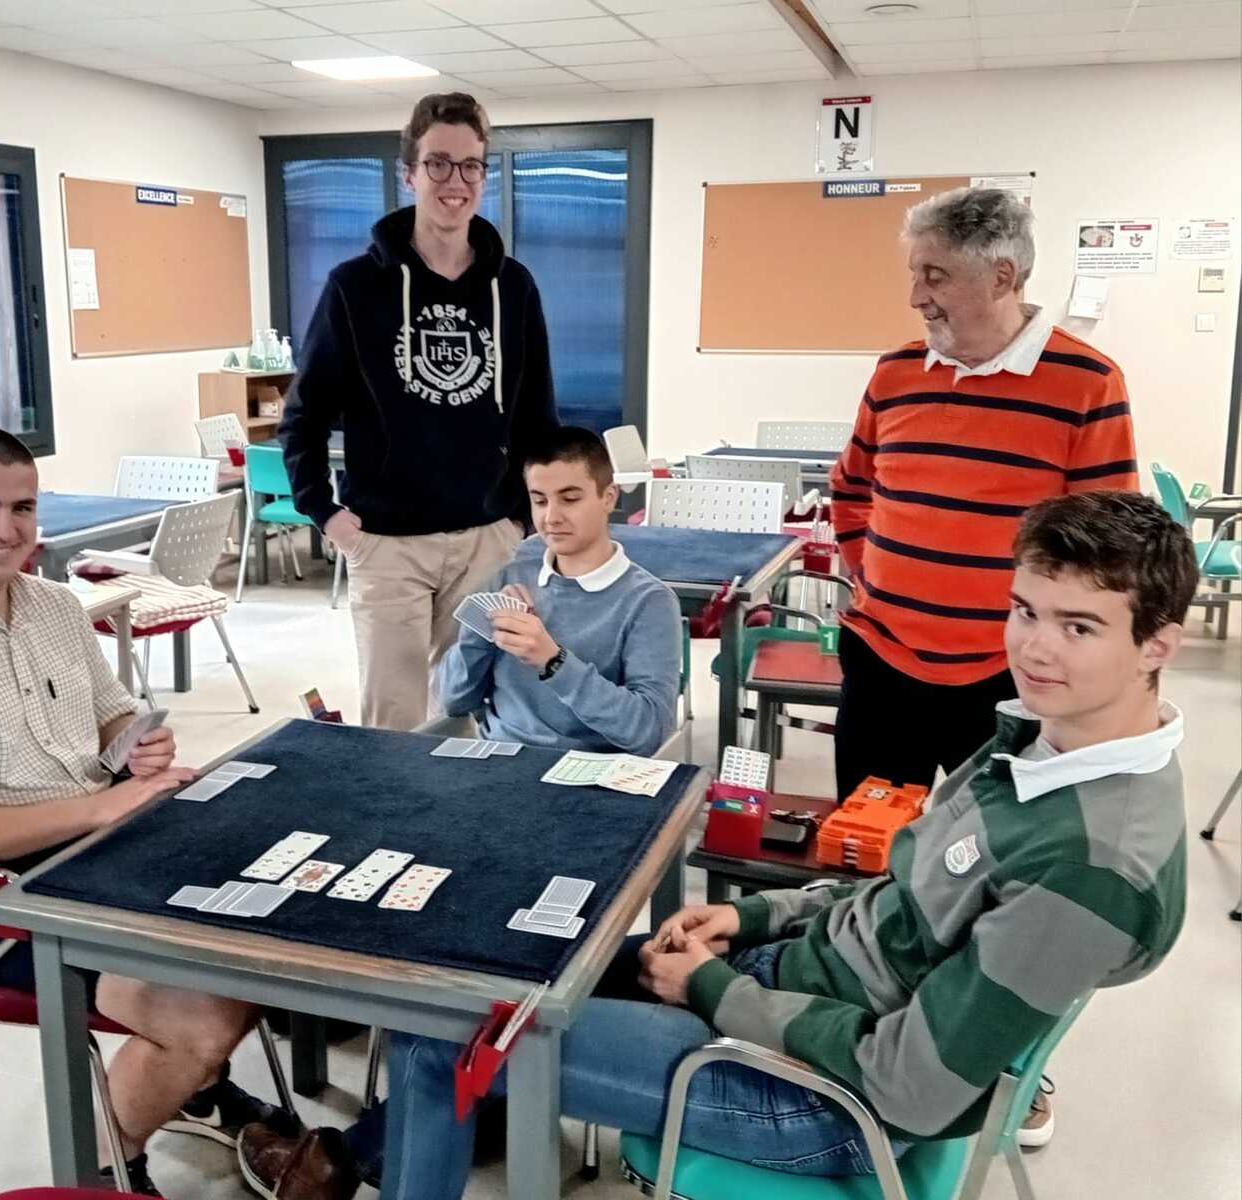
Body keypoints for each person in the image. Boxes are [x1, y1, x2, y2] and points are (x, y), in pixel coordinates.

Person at [236, 489, 1196, 1199]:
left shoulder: (1089, 864)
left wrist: (713, 990)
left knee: (449, 1033)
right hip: (805, 990)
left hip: (821, 1099)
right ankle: (391, 1144)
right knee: (493, 976)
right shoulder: (1039, 738)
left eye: (1078, 627)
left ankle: (360, 1156)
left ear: (1158, 643)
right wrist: (749, 917)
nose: (1033, 647)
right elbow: (895, 895)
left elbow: (906, 1086)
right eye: (1025, 610)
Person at [0, 427, 293, 1198]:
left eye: (21, 508)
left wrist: (136, 743)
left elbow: (113, 714)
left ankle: (190, 1087)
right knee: (204, 1014)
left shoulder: (55, 605)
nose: (5, 529)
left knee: (282, 927)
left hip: (107, 848)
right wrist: (100, 806)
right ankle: (106, 1168)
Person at [830, 186, 1139, 805]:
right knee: (869, 846)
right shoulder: (895, 373)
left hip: (1011, 679)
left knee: (997, 854)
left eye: (935, 276)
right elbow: (852, 487)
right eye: (916, 274)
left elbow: (1104, 546)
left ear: (1001, 276)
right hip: (881, 662)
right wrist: (879, 579)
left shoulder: (1088, 382)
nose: (916, 296)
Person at [280, 91, 559, 732]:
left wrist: (523, 520)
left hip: (487, 539)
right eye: (438, 163)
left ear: (484, 175)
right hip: (386, 543)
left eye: (470, 166)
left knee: (476, 710)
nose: (455, 181)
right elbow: (305, 413)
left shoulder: (513, 286)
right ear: (409, 173)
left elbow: (537, 415)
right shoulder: (355, 286)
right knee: (394, 722)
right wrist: (325, 512)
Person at [435, 425, 682, 756]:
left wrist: (552, 660)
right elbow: (453, 700)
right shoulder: (510, 573)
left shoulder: (649, 602)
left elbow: (648, 732)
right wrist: (484, 631)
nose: (551, 517)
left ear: (609, 497)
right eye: (539, 500)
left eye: (570, 499)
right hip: (497, 759)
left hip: (590, 770)